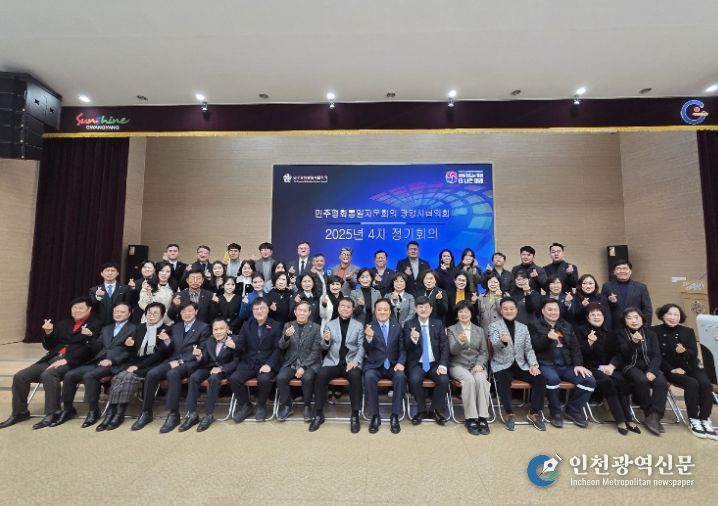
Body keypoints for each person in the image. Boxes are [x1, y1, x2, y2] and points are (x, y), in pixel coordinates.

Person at [0, 297, 103, 430]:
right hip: (52, 358)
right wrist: (48, 332)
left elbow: (92, 350)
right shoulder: (63, 324)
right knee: (20, 376)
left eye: (81, 308)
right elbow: (49, 346)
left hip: (75, 362)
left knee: (49, 375)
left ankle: (52, 413)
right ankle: (20, 413)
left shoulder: (96, 325)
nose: (77, 310)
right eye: (74, 308)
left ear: (89, 309)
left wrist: (69, 358)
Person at [53, 302, 137, 428]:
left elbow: (129, 352)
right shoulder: (107, 328)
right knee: (70, 374)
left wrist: (112, 361)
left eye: (122, 312)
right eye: (116, 311)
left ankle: (93, 410)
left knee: (90, 376)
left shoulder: (134, 329)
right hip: (98, 361)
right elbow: (97, 347)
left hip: (117, 363)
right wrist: (90, 336)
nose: (118, 314)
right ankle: (68, 409)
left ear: (129, 314)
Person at [131, 302, 211, 433]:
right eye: (183, 311)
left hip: (191, 363)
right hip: (172, 360)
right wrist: (167, 341)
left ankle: (174, 414)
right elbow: (169, 350)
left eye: (189, 311)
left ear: (196, 312)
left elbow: (202, 351)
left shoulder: (204, 327)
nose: (186, 314)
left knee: (172, 373)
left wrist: (181, 361)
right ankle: (146, 412)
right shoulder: (176, 327)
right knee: (152, 373)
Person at [96, 302, 170, 431]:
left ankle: (121, 414)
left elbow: (160, 354)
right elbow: (132, 352)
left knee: (128, 376)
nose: (151, 315)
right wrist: (129, 345)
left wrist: (138, 366)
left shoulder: (166, 329)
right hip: (136, 363)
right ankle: (112, 412)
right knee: (118, 376)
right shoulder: (139, 328)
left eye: (155, 313)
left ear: (162, 315)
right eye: (149, 313)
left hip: (154, 364)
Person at [652, 303, 716, 439]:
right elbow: (656, 356)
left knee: (705, 383)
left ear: (680, 317)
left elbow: (693, 352)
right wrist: (672, 369)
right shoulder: (654, 331)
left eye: (676, 315)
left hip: (690, 367)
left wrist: (684, 352)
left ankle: (704, 419)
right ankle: (693, 419)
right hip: (670, 370)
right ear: (662, 315)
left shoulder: (688, 331)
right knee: (692, 383)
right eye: (669, 314)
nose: (673, 317)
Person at [529, 299, 596, 428]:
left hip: (566, 365)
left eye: (556, 309)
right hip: (545, 364)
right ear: (543, 311)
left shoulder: (566, 325)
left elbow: (575, 347)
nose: (553, 312)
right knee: (552, 379)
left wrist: (578, 364)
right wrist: (547, 338)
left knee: (589, 380)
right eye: (549, 309)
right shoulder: (534, 325)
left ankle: (573, 410)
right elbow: (532, 346)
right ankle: (555, 412)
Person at [576, 304, 638, 435]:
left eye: (599, 314)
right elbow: (579, 354)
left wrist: (612, 365)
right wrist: (589, 343)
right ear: (587, 318)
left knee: (621, 381)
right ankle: (620, 420)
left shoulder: (610, 332)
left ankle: (629, 418)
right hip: (590, 367)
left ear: (604, 317)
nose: (596, 317)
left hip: (608, 366)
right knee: (607, 382)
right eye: (593, 315)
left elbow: (618, 353)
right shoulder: (581, 330)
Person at [489, 297, 547, 431]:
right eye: (505, 309)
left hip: (521, 365)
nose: (508, 311)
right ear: (501, 311)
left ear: (516, 310)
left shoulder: (523, 328)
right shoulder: (494, 326)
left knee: (540, 378)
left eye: (511, 308)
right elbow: (495, 345)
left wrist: (533, 365)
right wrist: (502, 341)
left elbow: (528, 349)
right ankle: (509, 413)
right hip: (502, 364)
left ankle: (533, 413)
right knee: (503, 380)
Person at [309, 298, 365, 433]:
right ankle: (318, 414)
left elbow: (362, 346)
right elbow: (323, 346)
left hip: (350, 362)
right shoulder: (330, 324)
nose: (345, 309)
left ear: (352, 309)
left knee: (356, 376)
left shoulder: (358, 325)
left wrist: (356, 361)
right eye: (342, 306)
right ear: (338, 308)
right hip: (332, 361)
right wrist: (326, 341)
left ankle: (355, 415)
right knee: (321, 375)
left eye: (348, 307)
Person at [611, 307, 667, 435]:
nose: (634, 321)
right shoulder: (621, 333)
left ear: (642, 319)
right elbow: (624, 354)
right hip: (629, 365)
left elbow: (656, 356)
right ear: (625, 321)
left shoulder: (651, 334)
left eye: (636, 317)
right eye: (629, 318)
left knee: (661, 382)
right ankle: (647, 411)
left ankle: (655, 416)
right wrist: (633, 342)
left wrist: (652, 370)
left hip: (649, 366)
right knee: (642, 380)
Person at [179, 318, 239, 432]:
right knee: (194, 377)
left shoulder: (235, 340)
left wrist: (221, 369)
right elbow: (205, 360)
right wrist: (199, 356)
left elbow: (237, 361)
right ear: (212, 331)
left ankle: (208, 415)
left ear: (227, 329)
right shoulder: (209, 341)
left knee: (213, 379)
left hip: (225, 370)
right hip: (209, 367)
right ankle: (192, 415)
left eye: (221, 328)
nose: (218, 332)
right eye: (216, 329)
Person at [230, 298, 282, 422]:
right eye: (256, 309)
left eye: (262, 308)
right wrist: (234, 346)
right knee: (235, 378)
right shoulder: (246, 325)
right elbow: (241, 346)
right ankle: (246, 406)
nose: (259, 311)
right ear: (252, 311)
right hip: (249, 362)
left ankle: (261, 405)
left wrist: (269, 364)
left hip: (267, 362)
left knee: (264, 379)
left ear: (268, 309)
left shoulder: (276, 325)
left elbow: (278, 349)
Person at [362, 299, 406, 434]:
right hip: (375, 365)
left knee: (401, 377)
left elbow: (403, 349)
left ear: (390, 311)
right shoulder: (369, 326)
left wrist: (400, 362)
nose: (382, 312)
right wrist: (369, 338)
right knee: (368, 377)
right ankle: (375, 416)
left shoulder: (397, 327)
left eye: (385, 309)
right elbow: (366, 348)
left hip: (393, 365)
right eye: (379, 309)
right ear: (375, 311)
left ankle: (395, 416)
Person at [404, 296, 450, 426]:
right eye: (420, 307)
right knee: (414, 379)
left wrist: (443, 365)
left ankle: (435, 410)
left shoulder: (438, 324)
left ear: (431, 309)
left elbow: (444, 346)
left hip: (435, 364)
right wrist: (413, 339)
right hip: (417, 364)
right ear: (416, 309)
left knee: (444, 380)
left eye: (426, 307)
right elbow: (405, 346)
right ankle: (421, 410)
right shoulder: (409, 324)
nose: (423, 310)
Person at [448, 300, 491, 435]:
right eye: (461, 312)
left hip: (475, 365)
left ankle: (482, 417)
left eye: (466, 311)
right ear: (457, 315)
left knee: (481, 380)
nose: (464, 314)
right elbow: (452, 351)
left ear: (471, 314)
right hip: (457, 365)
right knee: (469, 380)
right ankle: (471, 418)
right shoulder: (451, 329)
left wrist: (479, 364)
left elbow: (484, 352)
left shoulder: (479, 330)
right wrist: (459, 342)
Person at [276, 301, 323, 421]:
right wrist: (286, 337)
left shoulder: (316, 327)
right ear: (295, 312)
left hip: (310, 363)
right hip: (291, 362)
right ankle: (287, 405)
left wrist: (303, 367)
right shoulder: (288, 325)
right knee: (281, 377)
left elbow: (316, 351)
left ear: (309, 312)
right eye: (299, 310)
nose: (302, 313)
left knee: (307, 378)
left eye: (305, 311)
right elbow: (281, 346)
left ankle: (307, 406)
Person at [601, 260, 653, 330]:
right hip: (615, 327)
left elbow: (647, 309)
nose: (622, 271)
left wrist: (645, 327)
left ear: (630, 271)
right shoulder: (607, 286)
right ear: (614, 272)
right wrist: (611, 302)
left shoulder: (641, 287)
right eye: (618, 269)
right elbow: (604, 308)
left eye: (625, 268)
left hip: (636, 326)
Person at [138, 261, 175, 325]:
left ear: (171, 273)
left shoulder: (174, 287)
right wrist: (148, 292)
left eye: (167, 271)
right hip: (149, 320)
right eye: (161, 271)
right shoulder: (148, 285)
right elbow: (142, 303)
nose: (164, 273)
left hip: (166, 321)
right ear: (157, 272)